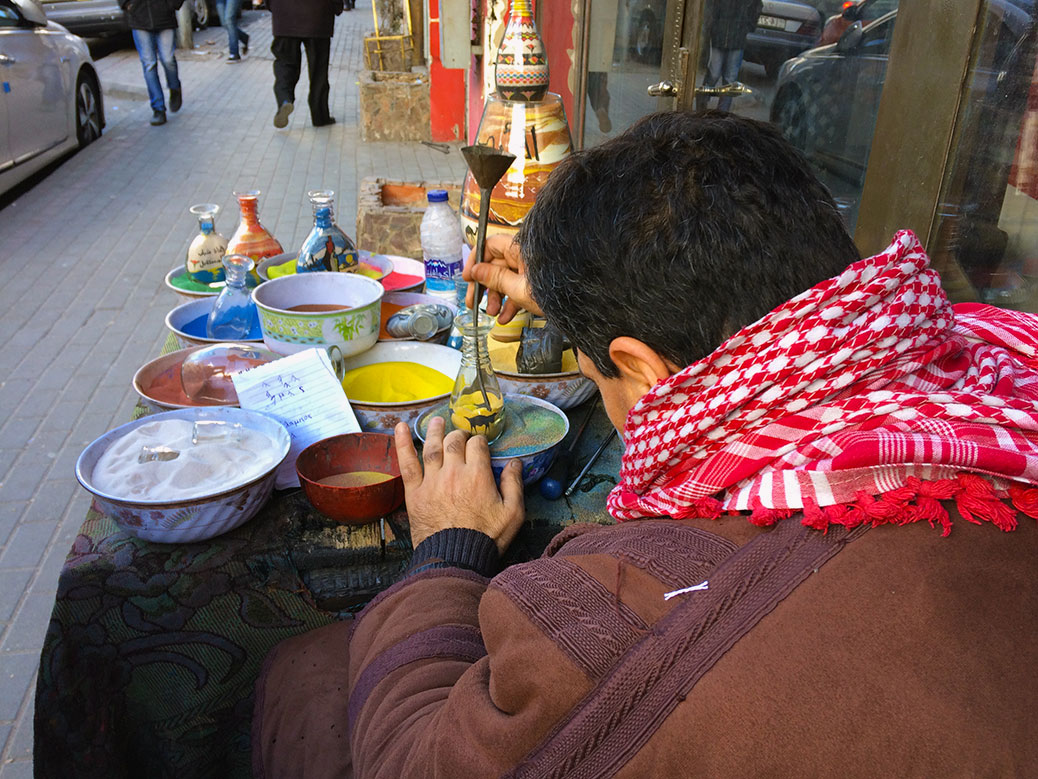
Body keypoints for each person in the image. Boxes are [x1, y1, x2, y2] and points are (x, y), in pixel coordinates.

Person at [253, 112, 1038, 777]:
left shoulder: (616, 615)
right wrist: (586, 307)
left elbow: (418, 760)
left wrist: (447, 550)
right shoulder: (994, 356)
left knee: (300, 677)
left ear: (637, 366)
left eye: (600, 372)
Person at [267, 0, 343, 129]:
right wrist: (337, 6)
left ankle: (284, 100)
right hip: (318, 15)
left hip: (285, 16)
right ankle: (320, 116)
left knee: (285, 64)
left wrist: (272, 6)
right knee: (318, 70)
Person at [118, 0, 184, 126]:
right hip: (139, 17)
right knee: (149, 64)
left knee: (168, 59)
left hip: (165, 17)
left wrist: (172, 4)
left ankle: (174, 87)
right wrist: (127, 5)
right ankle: (158, 109)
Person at [696, 0, 762, 111]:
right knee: (715, 73)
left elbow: (756, 6)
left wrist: (749, 24)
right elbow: (711, 6)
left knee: (730, 78)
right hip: (720, 35)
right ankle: (702, 105)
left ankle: (722, 111)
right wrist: (710, 24)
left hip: (736, 37)